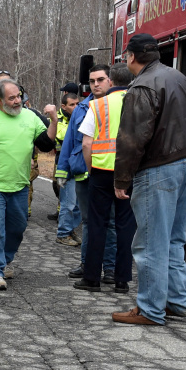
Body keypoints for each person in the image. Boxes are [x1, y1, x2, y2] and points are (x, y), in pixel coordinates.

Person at [112, 33, 186, 326]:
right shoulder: (177, 77)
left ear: (132, 57)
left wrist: (122, 179)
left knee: (150, 243)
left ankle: (150, 308)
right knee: (173, 239)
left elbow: (132, 138)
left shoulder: (141, 87)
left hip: (159, 168)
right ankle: (178, 302)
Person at [0, 79, 57, 290]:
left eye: (19, 96)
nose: (17, 101)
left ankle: (5, 260)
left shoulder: (30, 117)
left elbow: (46, 144)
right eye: (12, 98)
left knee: (18, 227)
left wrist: (53, 121)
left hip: (20, 185)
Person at [73, 62, 135, 294]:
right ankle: (122, 280)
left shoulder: (98, 105)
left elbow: (87, 143)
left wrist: (91, 169)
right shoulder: (139, 102)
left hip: (101, 172)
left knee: (97, 224)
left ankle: (91, 278)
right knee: (125, 225)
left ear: (111, 81)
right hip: (130, 173)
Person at [55, 66, 117, 280]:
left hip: (109, 173)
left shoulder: (117, 104)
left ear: (110, 80)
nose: (96, 84)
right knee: (88, 222)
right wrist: (62, 170)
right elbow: (70, 141)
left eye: (100, 79)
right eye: (92, 81)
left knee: (110, 223)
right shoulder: (81, 108)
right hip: (84, 175)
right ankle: (87, 264)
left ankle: (110, 268)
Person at [48, 93, 81, 226]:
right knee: (60, 188)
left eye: (78, 104)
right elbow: (62, 135)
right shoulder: (58, 119)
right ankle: (64, 227)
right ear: (64, 106)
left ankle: (68, 223)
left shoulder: (82, 115)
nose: (76, 107)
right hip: (62, 160)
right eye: (72, 105)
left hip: (79, 161)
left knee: (76, 196)